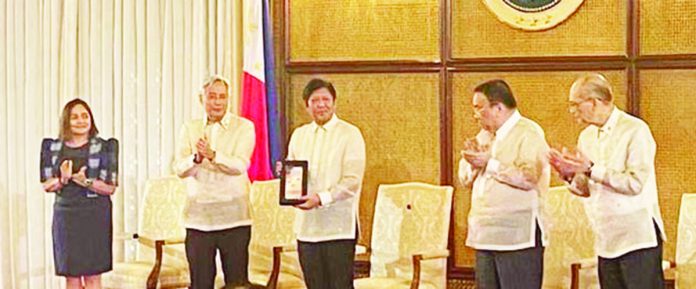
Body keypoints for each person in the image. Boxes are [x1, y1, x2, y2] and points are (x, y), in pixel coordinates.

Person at [549, 73, 666, 289]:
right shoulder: (586, 136)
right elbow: (587, 188)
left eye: (575, 104)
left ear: (594, 102)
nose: (572, 110)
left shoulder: (635, 130)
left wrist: (591, 169)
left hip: (637, 237)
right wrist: (569, 174)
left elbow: (635, 183)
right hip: (606, 236)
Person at [458, 79, 550, 289]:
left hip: (516, 235)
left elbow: (529, 177)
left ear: (498, 107)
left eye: (479, 108)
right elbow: (464, 179)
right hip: (484, 233)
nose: (475, 115)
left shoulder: (529, 132)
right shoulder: (484, 135)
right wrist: (473, 163)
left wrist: (489, 164)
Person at [173, 75, 255, 289]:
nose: (217, 102)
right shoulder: (190, 128)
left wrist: (213, 155)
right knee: (200, 283)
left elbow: (239, 166)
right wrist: (196, 158)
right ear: (202, 100)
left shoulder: (244, 127)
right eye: (212, 97)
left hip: (234, 218)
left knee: (237, 284)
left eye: (222, 97)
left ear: (228, 99)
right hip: (199, 219)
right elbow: (179, 169)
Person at [285, 78, 366, 289]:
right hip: (307, 227)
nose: (321, 105)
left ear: (334, 102)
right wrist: (287, 182)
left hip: (338, 226)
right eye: (315, 100)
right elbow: (293, 174)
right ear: (307, 105)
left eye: (325, 99)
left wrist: (321, 198)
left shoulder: (350, 134)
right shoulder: (299, 135)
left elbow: (352, 181)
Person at [40, 98, 119, 289]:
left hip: (95, 214)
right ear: (66, 120)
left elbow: (111, 187)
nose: (81, 120)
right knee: (71, 277)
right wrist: (63, 179)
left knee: (93, 277)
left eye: (85, 116)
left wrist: (87, 182)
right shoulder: (52, 147)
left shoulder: (105, 147)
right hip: (67, 216)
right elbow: (46, 184)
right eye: (74, 117)